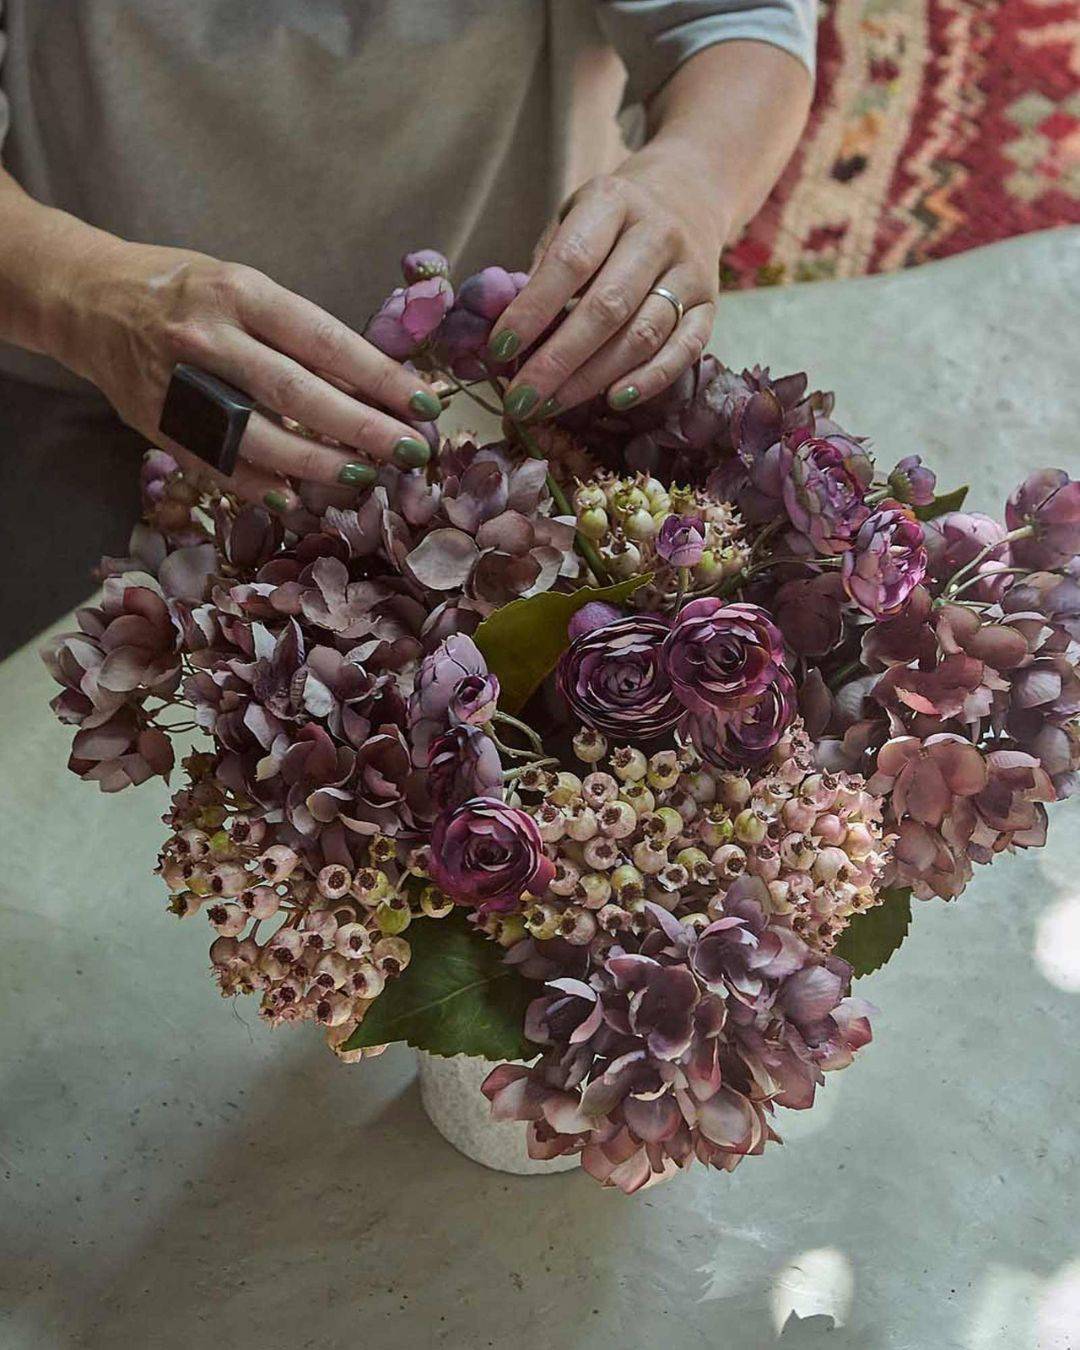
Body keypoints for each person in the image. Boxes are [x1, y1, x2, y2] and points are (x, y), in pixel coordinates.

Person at [0, 1, 813, 653]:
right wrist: (81, 297)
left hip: (501, 403)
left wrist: (691, 179)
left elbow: (737, 20)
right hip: (79, 380)